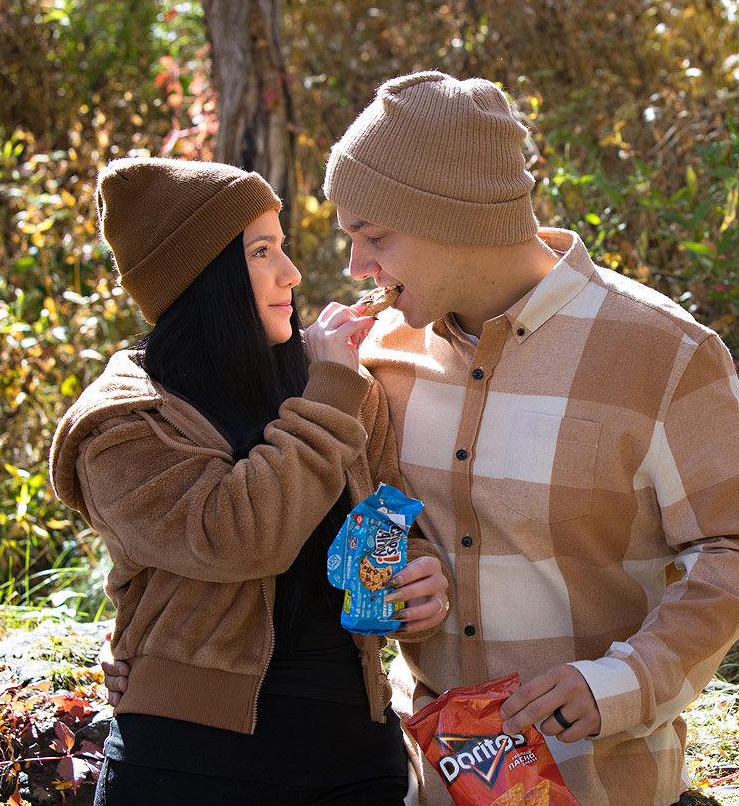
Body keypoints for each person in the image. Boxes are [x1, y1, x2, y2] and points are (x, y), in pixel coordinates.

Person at [324, 71, 739, 805]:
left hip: (606, 783)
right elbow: (360, 519)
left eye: (373, 235)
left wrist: (622, 682)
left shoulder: (664, 352)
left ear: (456, 218)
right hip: (432, 787)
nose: (357, 267)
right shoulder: (374, 356)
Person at [49, 157, 451, 805]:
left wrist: (420, 581)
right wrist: (329, 392)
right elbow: (238, 535)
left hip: (354, 755)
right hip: (189, 765)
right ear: (202, 276)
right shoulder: (122, 424)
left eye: (282, 247)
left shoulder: (340, 388)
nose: (291, 272)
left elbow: (383, 523)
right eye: (262, 251)